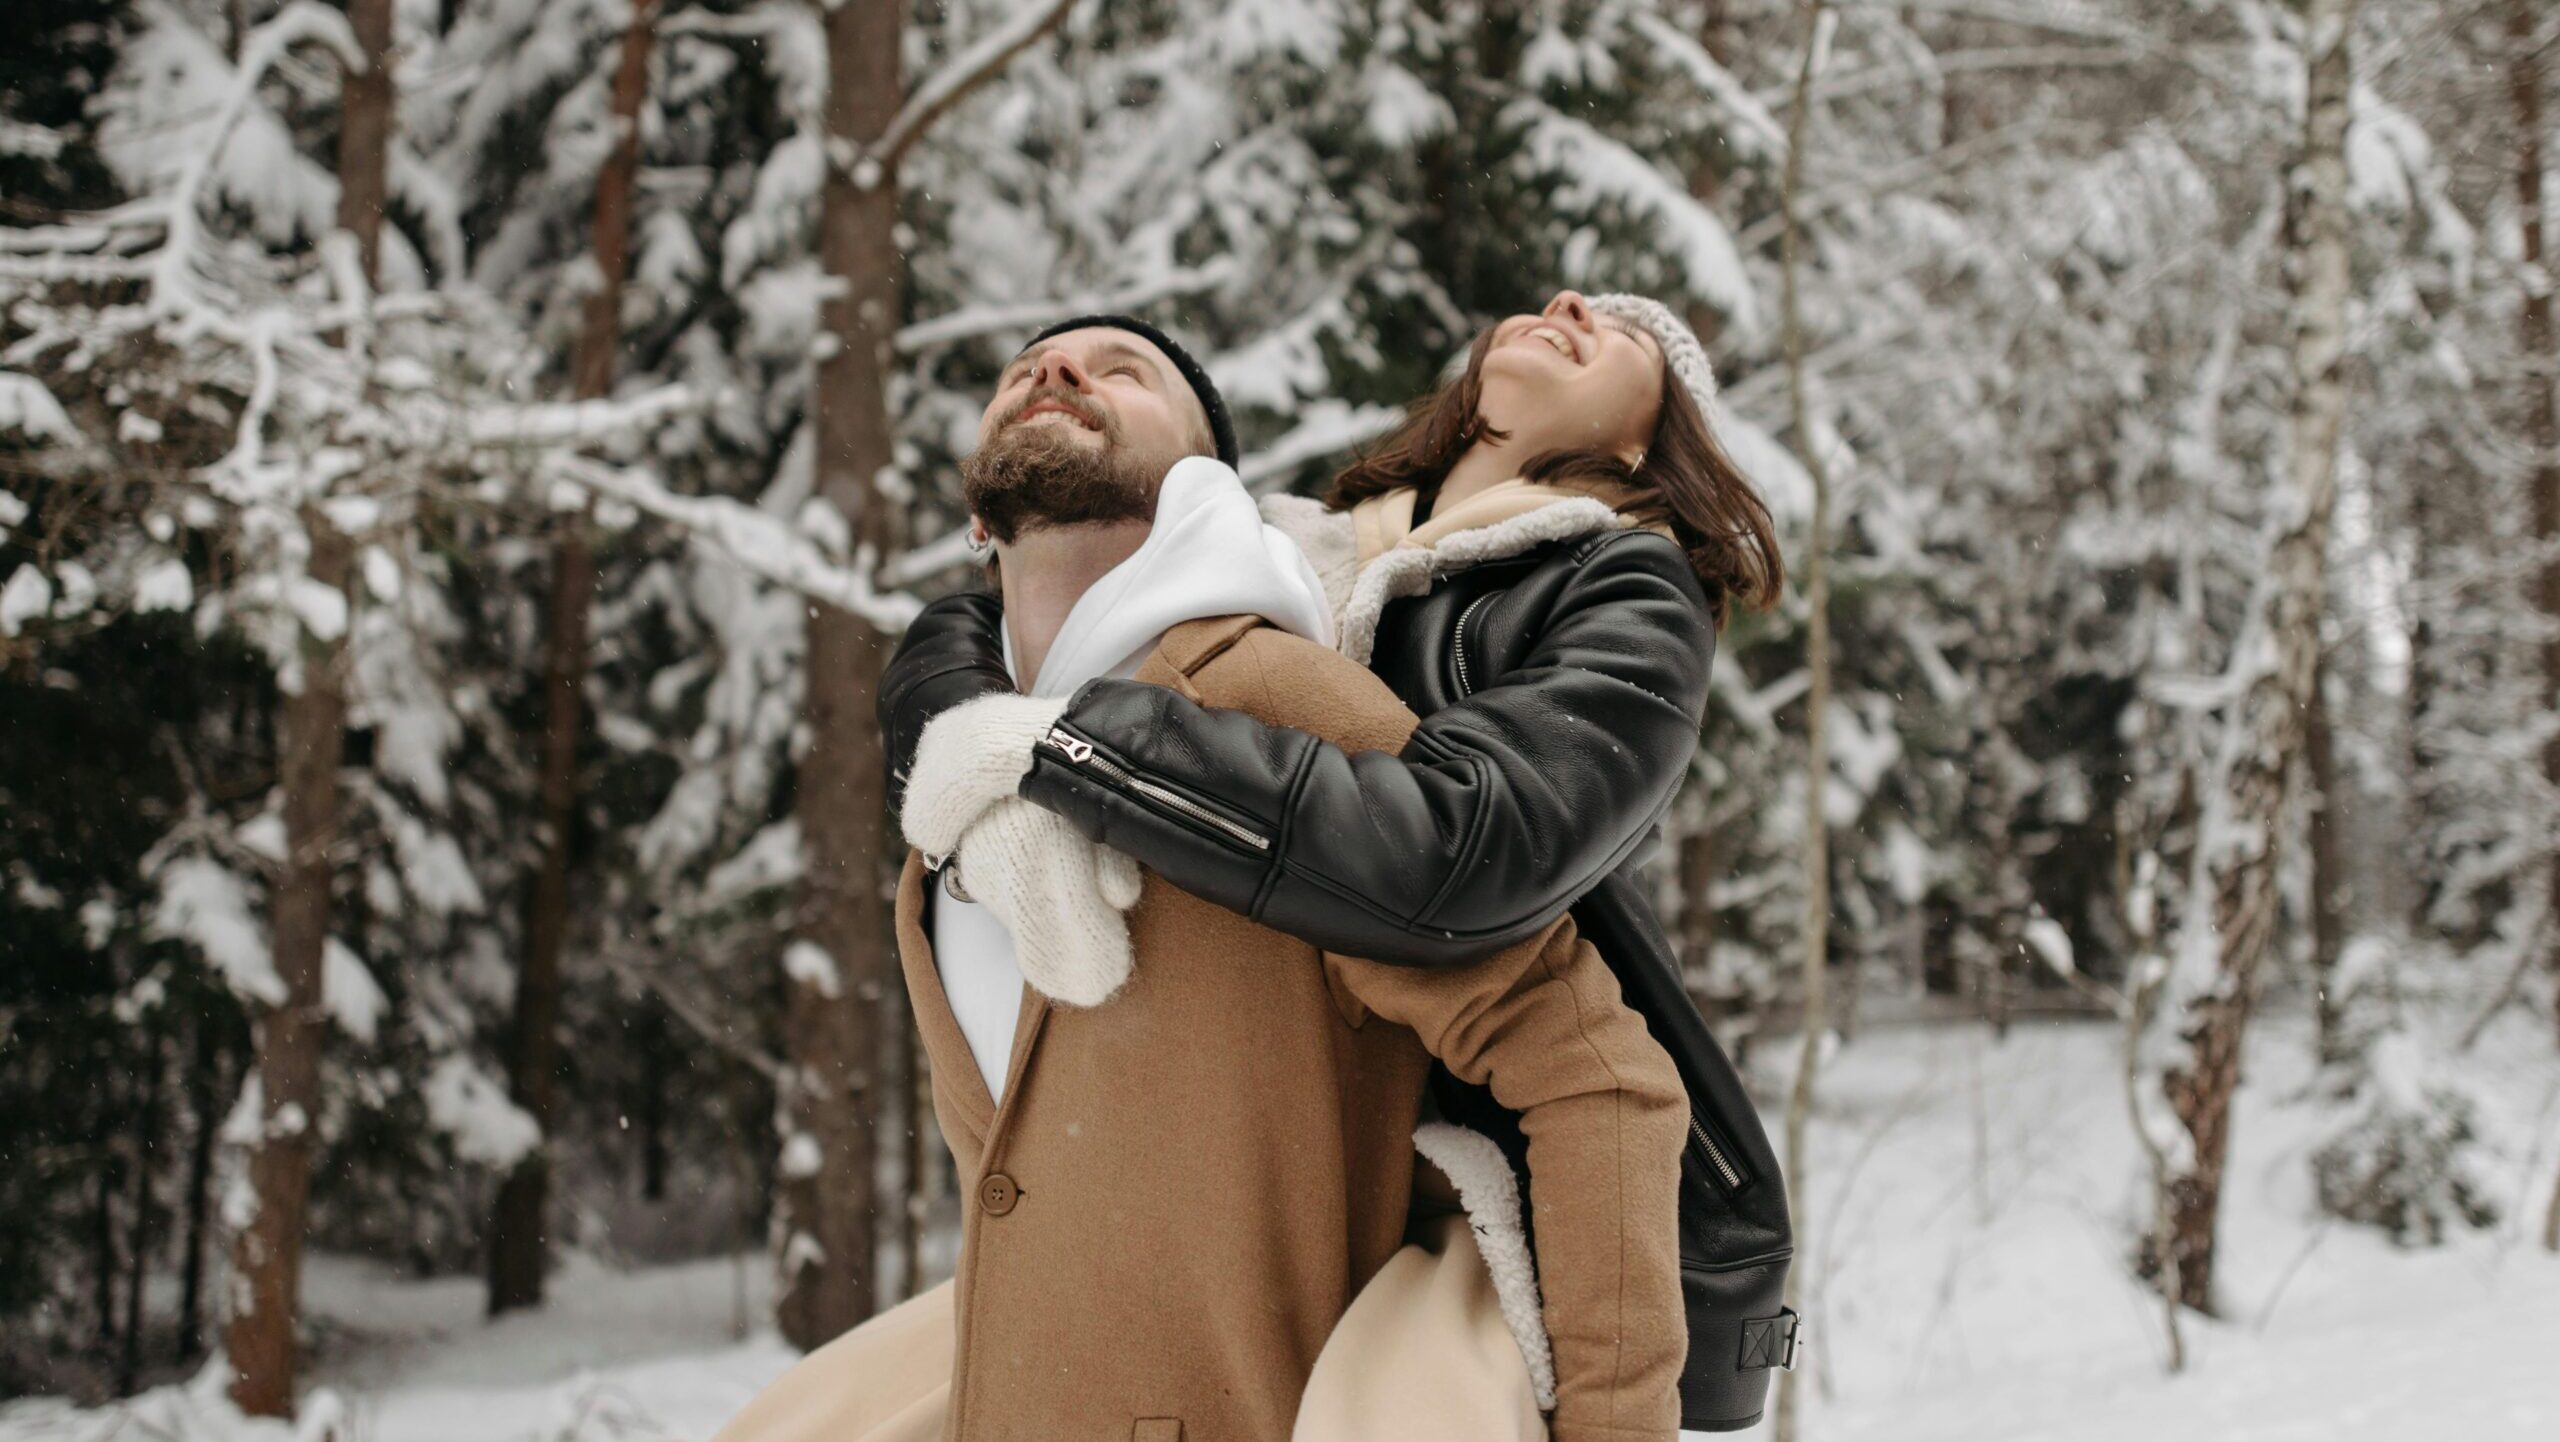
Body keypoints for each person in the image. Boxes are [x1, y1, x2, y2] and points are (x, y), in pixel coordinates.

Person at [714, 316, 1690, 1442]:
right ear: (978, 514)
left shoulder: (1280, 702)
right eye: (1024, 371)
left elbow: (1598, 1072)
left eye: (1121, 373)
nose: (1057, 370)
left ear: (1206, 487)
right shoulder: (955, 784)